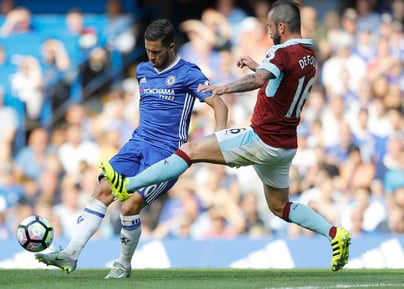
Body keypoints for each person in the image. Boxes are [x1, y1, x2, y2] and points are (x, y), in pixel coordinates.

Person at [102, 0, 351, 272]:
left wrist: (223, 88)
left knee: (190, 151)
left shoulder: (279, 52)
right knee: (280, 207)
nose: (268, 33)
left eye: (270, 28)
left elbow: (258, 81)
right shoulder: (308, 51)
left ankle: (127, 184)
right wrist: (258, 65)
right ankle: (335, 233)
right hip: (285, 145)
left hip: (260, 139)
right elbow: (283, 78)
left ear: (281, 26)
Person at [35, 19, 228, 278]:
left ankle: (123, 265)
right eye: (148, 50)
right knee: (103, 189)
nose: (152, 56)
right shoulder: (142, 70)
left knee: (129, 206)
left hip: (167, 154)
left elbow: (220, 106)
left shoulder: (189, 73)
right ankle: (70, 254)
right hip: (136, 144)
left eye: (157, 51)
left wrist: (218, 141)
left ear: (172, 47)